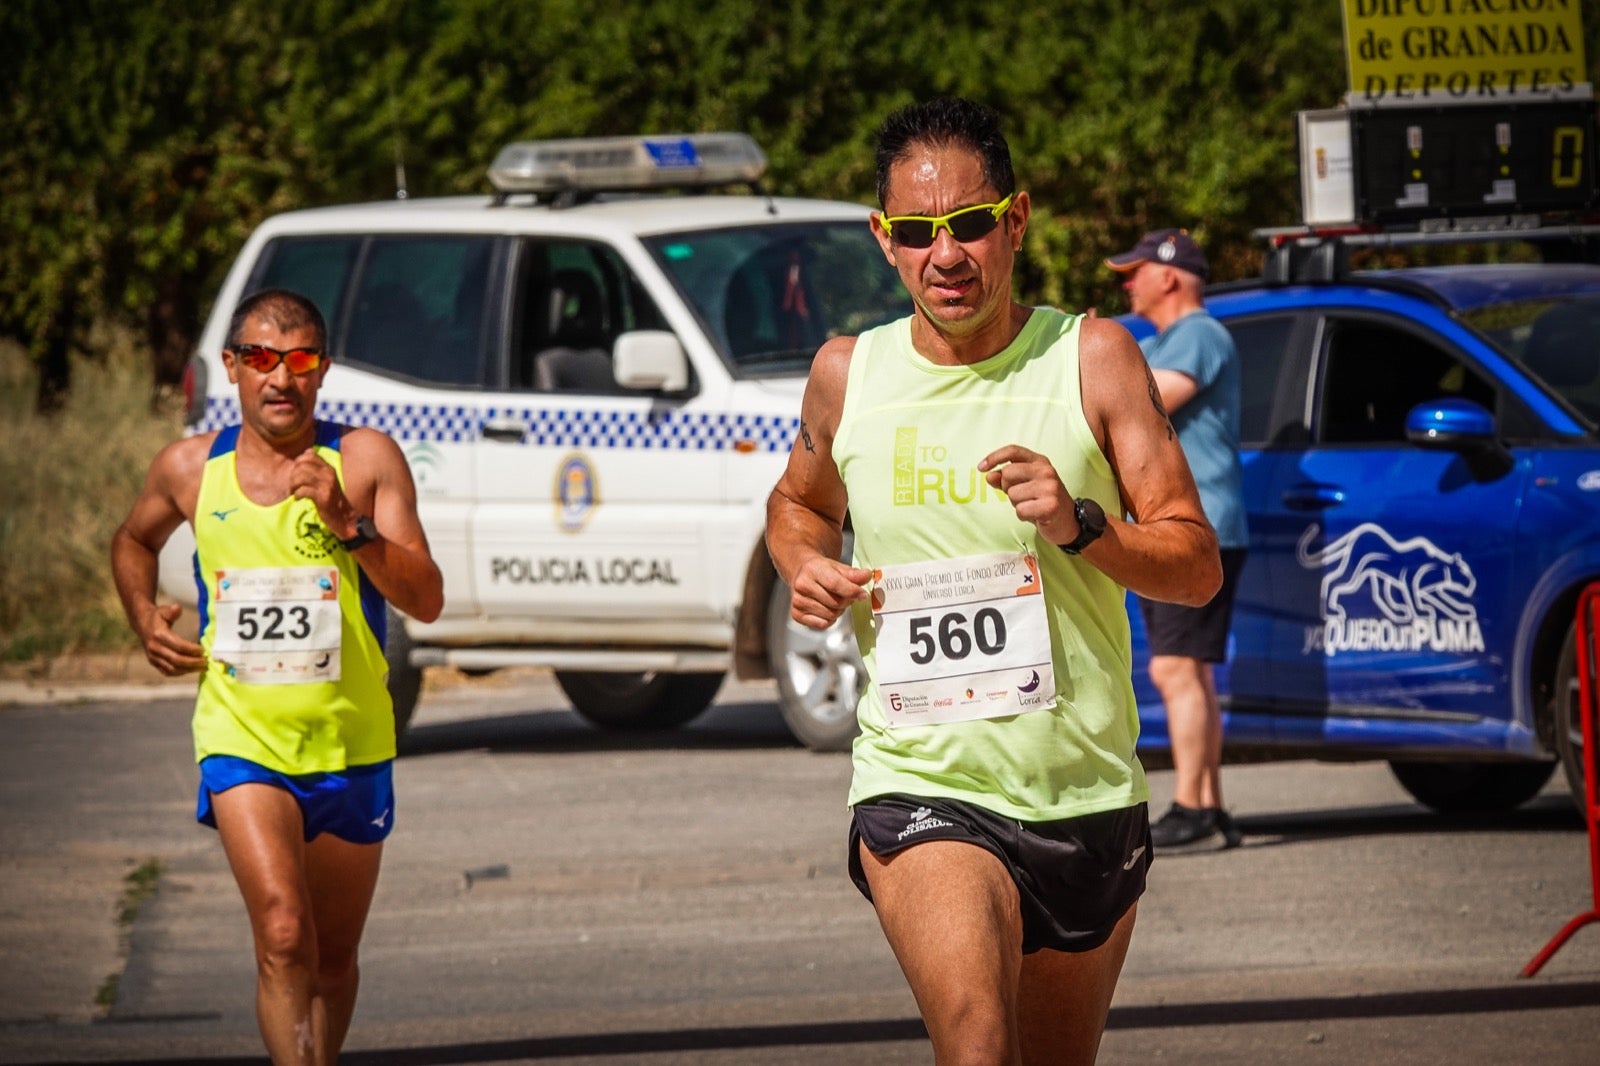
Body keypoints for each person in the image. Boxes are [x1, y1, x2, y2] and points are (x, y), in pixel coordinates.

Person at [766, 98, 1221, 1065]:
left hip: (1084, 793)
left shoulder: (1090, 358)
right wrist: (805, 565)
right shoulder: (849, 374)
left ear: (1014, 221)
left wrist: (1081, 525)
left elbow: (1194, 564)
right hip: (921, 781)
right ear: (885, 241)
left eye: (970, 223)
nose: (949, 255)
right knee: (976, 1042)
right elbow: (798, 504)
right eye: (921, 233)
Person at [110, 288, 443, 1066]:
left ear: (321, 369)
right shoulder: (190, 469)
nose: (280, 378)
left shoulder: (363, 461)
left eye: (298, 360)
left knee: (330, 957)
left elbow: (425, 599)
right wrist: (141, 613)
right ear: (232, 368)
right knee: (284, 933)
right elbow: (132, 540)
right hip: (242, 737)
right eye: (261, 359)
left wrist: (348, 526)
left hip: (351, 739)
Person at [1106, 230, 1248, 851]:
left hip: (1192, 527)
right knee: (1191, 671)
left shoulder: (1197, 334)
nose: (1126, 284)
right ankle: (1210, 804)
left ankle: (1190, 805)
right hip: (1198, 524)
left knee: (1174, 667)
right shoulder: (1168, 340)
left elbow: (1150, 399)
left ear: (1169, 276)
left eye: (1134, 272)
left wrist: (1095, 374)